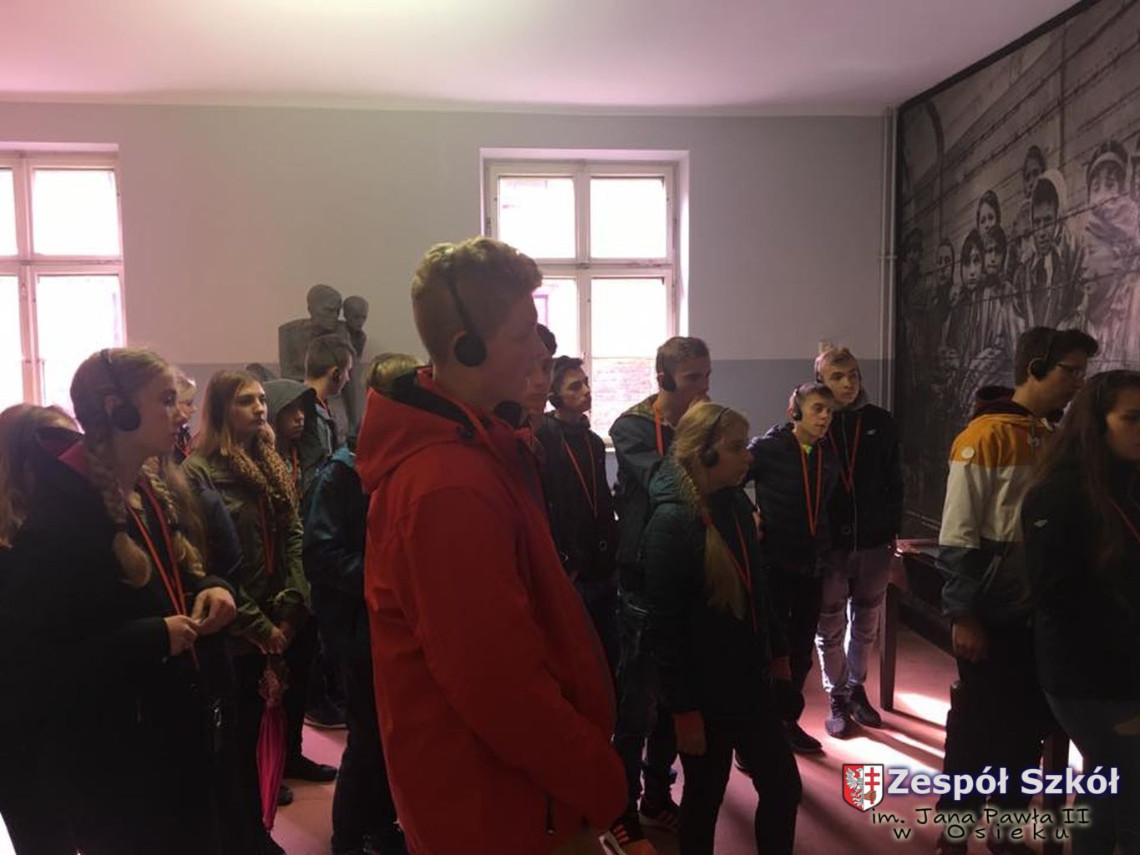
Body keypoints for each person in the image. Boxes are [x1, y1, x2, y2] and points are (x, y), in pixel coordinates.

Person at [355, 237, 624, 855]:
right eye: (523, 333)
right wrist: (600, 778)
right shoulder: (449, 486)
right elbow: (499, 689)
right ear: (466, 347)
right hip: (495, 805)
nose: (539, 351)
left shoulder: (482, 446)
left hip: (515, 793)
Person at [0, 348, 238, 855]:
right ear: (117, 409)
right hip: (117, 764)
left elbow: (181, 579)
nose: (181, 414)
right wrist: (152, 637)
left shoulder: (148, 493)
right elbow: (41, 667)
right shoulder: (59, 522)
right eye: (166, 400)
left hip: (174, 737)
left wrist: (214, 587)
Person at [934, 326, 1098, 854]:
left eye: (1083, 372)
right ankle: (955, 830)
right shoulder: (984, 437)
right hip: (993, 611)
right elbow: (958, 533)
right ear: (1035, 369)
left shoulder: (1052, 437)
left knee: (1026, 729)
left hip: (1039, 612)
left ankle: (1005, 830)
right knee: (978, 727)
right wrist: (963, 613)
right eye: (1070, 371)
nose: (1078, 382)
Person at [644, 403, 801, 855]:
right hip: (705, 699)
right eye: (736, 447)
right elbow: (665, 631)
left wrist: (779, 656)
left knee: (783, 789)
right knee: (703, 802)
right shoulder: (671, 524)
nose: (748, 456)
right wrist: (683, 711)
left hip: (751, 685)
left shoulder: (735, 503)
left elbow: (757, 590)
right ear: (704, 453)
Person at [183, 370, 314, 855]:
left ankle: (256, 832)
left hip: (278, 619)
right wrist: (260, 626)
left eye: (261, 399)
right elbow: (207, 565)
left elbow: (293, 533)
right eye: (245, 401)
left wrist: (293, 602)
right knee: (234, 747)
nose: (260, 408)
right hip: (237, 631)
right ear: (221, 409)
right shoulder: (198, 472)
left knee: (263, 732)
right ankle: (244, 840)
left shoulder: (268, 460)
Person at [1023, 369, 1140, 854]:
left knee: (1107, 790)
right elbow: (1061, 601)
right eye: (1132, 418)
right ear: (1096, 423)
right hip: (1091, 677)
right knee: (1129, 799)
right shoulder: (1060, 492)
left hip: (1122, 671)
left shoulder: (1127, 480)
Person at [304, 354, 417, 855]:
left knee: (397, 737)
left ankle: (381, 824)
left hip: (394, 624)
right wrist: (386, 582)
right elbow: (322, 554)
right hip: (359, 628)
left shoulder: (406, 460)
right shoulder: (344, 471)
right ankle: (347, 838)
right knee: (369, 738)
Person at [608, 335, 712, 854]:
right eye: (693, 378)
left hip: (687, 575)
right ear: (664, 379)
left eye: (707, 375)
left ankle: (655, 796)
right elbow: (663, 481)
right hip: (642, 581)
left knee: (674, 701)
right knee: (636, 709)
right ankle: (621, 810)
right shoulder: (629, 427)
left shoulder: (703, 421)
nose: (704, 387)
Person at [813, 348, 902, 738]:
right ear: (821, 381)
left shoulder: (881, 422)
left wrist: (892, 530)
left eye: (853, 374)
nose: (848, 382)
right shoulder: (816, 422)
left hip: (874, 541)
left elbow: (895, 479)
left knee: (867, 620)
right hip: (830, 544)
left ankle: (856, 687)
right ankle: (836, 695)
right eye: (838, 376)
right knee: (830, 623)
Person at [748, 383, 838, 754]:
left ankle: (787, 721)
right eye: (817, 409)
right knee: (770, 650)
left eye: (829, 411)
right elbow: (728, 482)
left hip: (813, 567)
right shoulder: (767, 449)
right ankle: (756, 736)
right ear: (794, 412)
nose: (825, 417)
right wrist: (749, 513)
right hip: (775, 565)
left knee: (801, 650)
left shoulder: (828, 453)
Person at [535, 356, 621, 674]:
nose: (586, 391)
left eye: (585, 383)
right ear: (554, 398)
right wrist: (565, 560)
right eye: (575, 387)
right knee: (580, 658)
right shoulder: (545, 439)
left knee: (610, 654)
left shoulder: (593, 442)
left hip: (603, 562)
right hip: (572, 568)